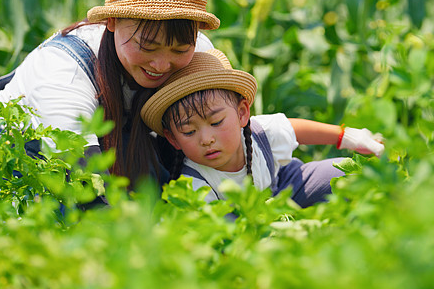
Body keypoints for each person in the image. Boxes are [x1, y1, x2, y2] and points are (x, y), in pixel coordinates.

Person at [0, 0, 219, 189]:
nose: (160, 65)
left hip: (119, 158)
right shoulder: (65, 70)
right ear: (112, 22)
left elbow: (228, 143)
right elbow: (84, 183)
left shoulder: (199, 52)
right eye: (147, 47)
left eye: (179, 50)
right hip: (28, 170)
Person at [140, 49, 385, 207]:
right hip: (241, 220)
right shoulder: (194, 182)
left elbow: (295, 128)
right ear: (173, 139)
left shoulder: (259, 132)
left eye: (216, 123)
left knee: (341, 174)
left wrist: (349, 137)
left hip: (284, 186)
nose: (206, 139)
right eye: (189, 131)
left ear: (242, 113)